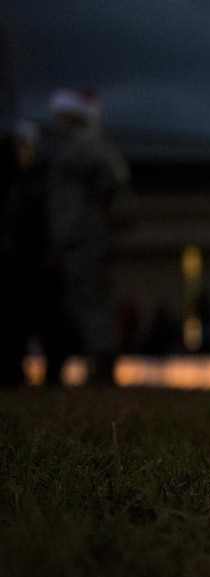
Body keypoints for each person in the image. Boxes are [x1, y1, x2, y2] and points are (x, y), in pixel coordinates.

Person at [46, 88, 129, 385]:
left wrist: (98, 206)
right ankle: (95, 361)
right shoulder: (72, 145)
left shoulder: (84, 145)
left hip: (85, 237)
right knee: (82, 301)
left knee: (92, 300)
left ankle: (102, 364)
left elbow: (111, 174)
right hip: (74, 236)